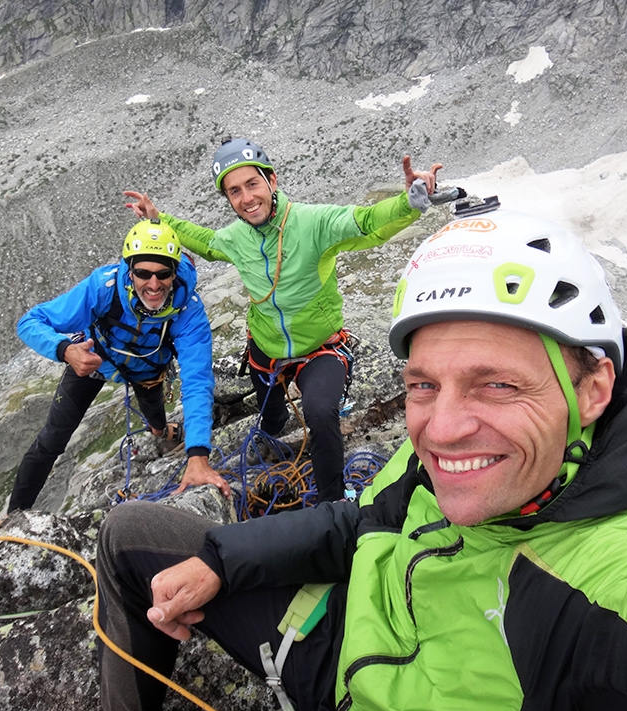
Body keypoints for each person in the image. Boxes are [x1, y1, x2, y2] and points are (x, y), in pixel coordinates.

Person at [96, 204, 627, 711]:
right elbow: (361, 519)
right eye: (423, 384)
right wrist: (222, 558)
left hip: (355, 700)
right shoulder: (442, 452)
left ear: (592, 390)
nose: (441, 428)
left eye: (497, 384)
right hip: (327, 637)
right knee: (130, 534)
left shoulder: (617, 575)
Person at [123, 137, 442, 503]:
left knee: (320, 413)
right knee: (270, 418)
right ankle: (270, 434)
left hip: (319, 348)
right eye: (234, 191)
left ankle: (333, 507)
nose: (246, 198)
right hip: (265, 350)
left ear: (272, 181)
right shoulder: (235, 238)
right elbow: (205, 242)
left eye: (252, 184)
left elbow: (366, 223)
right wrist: (158, 221)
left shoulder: (312, 222)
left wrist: (408, 203)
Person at [0, 219, 230, 529]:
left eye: (163, 274)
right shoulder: (104, 288)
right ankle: (13, 516)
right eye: (143, 273)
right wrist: (65, 350)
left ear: (175, 272)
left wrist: (198, 455)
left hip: (148, 371)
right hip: (94, 361)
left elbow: (197, 381)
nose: (154, 284)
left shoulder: (189, 312)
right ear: (129, 270)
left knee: (154, 414)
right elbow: (30, 321)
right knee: (52, 439)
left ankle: (160, 431)